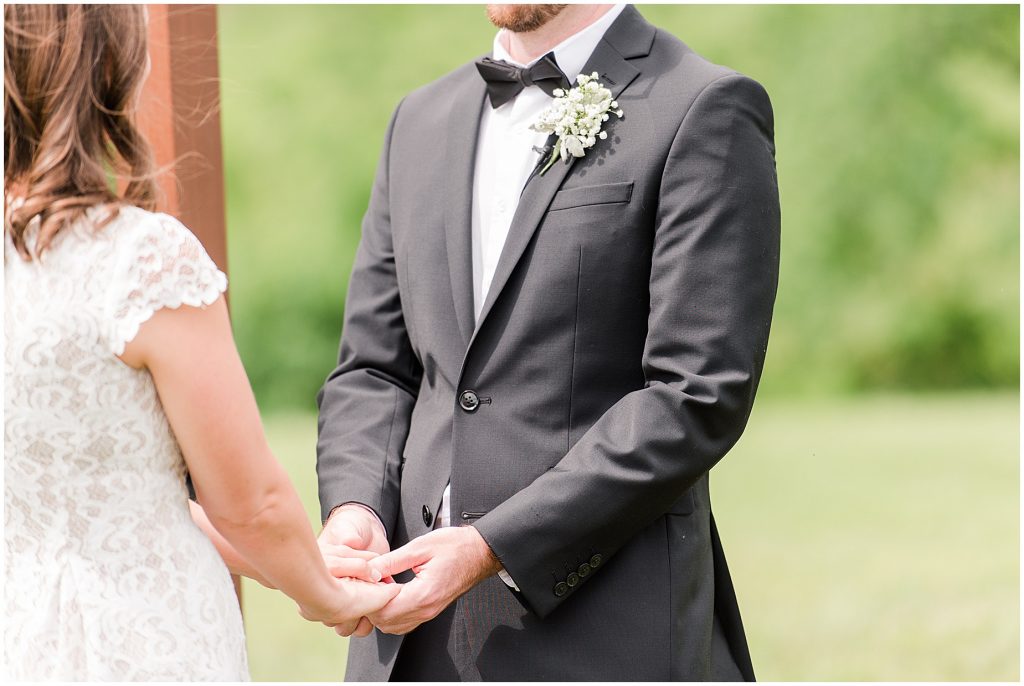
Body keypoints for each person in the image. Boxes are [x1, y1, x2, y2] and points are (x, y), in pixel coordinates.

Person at [316, 2, 780, 681]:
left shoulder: (703, 106)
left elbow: (696, 393)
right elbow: (375, 368)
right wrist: (354, 508)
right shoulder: (417, 121)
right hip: (409, 637)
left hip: (602, 632)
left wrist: (490, 547)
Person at [3, 5, 398, 680]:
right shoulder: (142, 261)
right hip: (144, 640)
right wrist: (327, 594)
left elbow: (135, 498)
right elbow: (250, 503)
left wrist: (304, 563)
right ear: (113, 68)